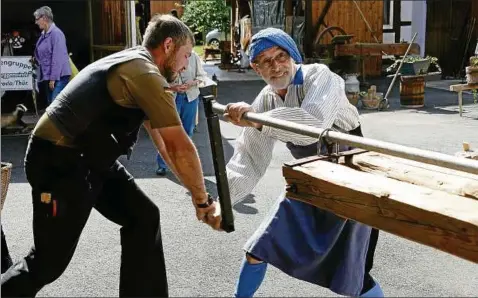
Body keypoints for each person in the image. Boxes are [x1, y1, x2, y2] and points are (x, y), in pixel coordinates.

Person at [1, 14, 221, 297]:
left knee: (143, 217)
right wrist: (203, 200)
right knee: (46, 264)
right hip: (59, 161)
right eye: (186, 55)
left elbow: (165, 147)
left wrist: (198, 198)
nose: (184, 66)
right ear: (168, 45)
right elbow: (179, 145)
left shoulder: (137, 65)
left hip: (91, 159)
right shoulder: (145, 73)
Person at [223, 28, 383, 297]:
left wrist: (257, 119)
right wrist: (220, 204)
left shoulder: (320, 77)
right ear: (256, 67)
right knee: (258, 247)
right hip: (309, 179)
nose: (276, 66)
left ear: (293, 56)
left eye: (281, 56)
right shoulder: (266, 99)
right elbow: (249, 157)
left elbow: (311, 123)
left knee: (353, 274)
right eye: (266, 60)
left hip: (352, 176)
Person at [156, 50, 208, 175]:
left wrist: (192, 83)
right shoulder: (166, 56)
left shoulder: (194, 56)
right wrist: (173, 87)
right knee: (169, 131)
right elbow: (158, 82)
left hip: (191, 97)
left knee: (187, 131)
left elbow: (202, 77)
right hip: (171, 97)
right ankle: (163, 164)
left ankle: (183, 164)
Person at [33, 6, 71, 105]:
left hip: (59, 76)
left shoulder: (56, 34)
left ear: (44, 18)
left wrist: (53, 79)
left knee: (55, 105)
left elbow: (57, 58)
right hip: (49, 75)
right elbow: (42, 53)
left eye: (37, 19)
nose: (35, 22)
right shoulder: (44, 34)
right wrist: (35, 60)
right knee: (51, 105)